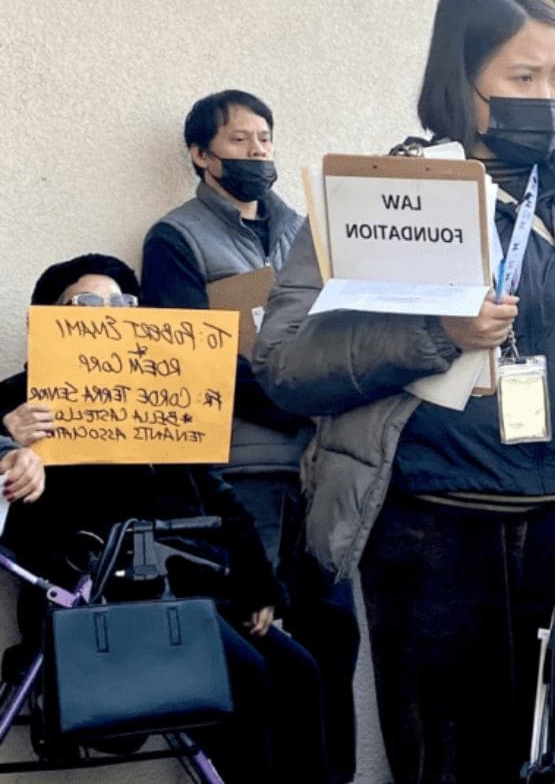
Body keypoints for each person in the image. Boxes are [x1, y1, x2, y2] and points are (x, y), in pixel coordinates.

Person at [253, 0, 555, 782]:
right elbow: (286, 364)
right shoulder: (381, 196)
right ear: (459, 84)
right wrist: (435, 335)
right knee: (447, 767)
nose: (548, 98)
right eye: (521, 79)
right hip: (431, 540)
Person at [0, 254, 328, 783]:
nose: (108, 314)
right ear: (50, 318)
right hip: (100, 596)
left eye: (122, 303)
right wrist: (6, 435)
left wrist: (257, 585)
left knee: (300, 672)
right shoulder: (18, 400)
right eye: (86, 303)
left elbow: (216, 496)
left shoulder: (155, 393)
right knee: (245, 676)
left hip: (194, 587)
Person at [141, 90, 311, 559]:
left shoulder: (304, 232)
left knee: (328, 620)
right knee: (257, 612)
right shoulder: (176, 238)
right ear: (201, 155)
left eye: (265, 139)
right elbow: (188, 358)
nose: (258, 151)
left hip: (319, 459)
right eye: (239, 139)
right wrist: (294, 402)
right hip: (243, 465)